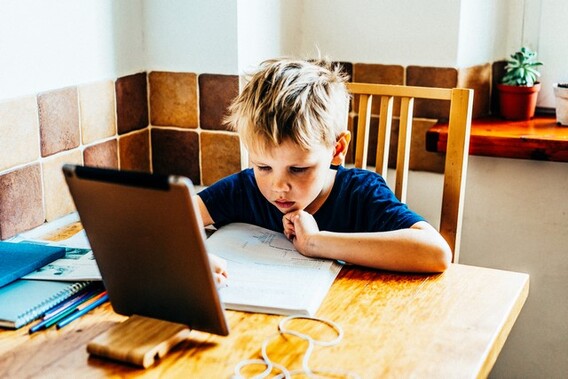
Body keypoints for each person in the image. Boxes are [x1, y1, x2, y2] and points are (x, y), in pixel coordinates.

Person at [199, 58, 451, 278]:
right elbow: (169, 220)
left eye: (298, 169)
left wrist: (315, 243)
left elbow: (436, 253)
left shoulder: (361, 193)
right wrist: (197, 260)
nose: (278, 187)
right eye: (263, 166)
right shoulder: (244, 189)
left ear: (337, 149)